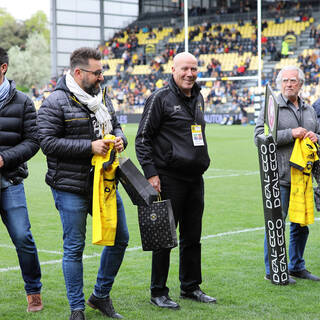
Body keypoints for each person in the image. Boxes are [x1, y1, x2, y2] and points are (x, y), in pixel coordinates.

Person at [37, 47, 129, 320]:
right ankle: (77, 309)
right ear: (78, 73)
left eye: (102, 71)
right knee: (74, 247)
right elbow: (47, 143)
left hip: (104, 182)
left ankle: (100, 296)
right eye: (97, 72)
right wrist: (90, 147)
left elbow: (114, 124)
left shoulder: (102, 96)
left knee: (120, 238)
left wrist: (120, 138)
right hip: (70, 186)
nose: (102, 77)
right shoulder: (55, 101)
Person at [135, 52, 216, 310]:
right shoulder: (160, 98)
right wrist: (151, 173)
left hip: (195, 179)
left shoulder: (199, 96)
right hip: (169, 178)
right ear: (173, 69)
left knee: (193, 237)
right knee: (164, 237)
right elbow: (142, 138)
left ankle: (190, 286)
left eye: (193, 69)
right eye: (184, 69)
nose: (190, 74)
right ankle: (158, 291)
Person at [254, 65, 320, 283]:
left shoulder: (309, 110)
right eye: (285, 81)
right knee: (276, 224)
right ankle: (273, 270)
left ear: (300, 84)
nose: (289, 84)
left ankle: (296, 266)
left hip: (303, 177)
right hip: (279, 176)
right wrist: (291, 133)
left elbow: (318, 134)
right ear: (279, 83)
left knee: (301, 225)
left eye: (293, 81)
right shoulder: (270, 106)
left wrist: (316, 137)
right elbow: (259, 138)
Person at [0, 47, 43, 312]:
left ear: (3, 68)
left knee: (22, 237)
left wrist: (4, 158)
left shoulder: (23, 102)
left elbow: (34, 141)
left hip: (10, 181)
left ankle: (34, 291)